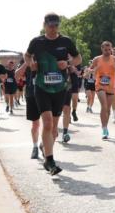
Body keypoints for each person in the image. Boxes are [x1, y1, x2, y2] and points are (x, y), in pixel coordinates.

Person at [24, 13, 81, 175]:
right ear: (44, 25)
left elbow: (78, 58)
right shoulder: (37, 42)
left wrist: (68, 63)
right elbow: (27, 55)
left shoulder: (66, 41)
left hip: (60, 88)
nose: (53, 28)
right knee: (47, 123)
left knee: (54, 127)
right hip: (41, 87)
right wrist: (30, 64)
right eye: (50, 25)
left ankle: (45, 147)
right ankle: (50, 161)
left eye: (56, 25)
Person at [91, 41, 115, 140]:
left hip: (111, 86)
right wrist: (93, 70)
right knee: (104, 106)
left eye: (109, 50)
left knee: (108, 109)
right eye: (105, 50)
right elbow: (89, 71)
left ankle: (105, 126)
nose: (107, 51)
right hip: (99, 85)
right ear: (102, 49)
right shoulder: (97, 59)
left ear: (111, 49)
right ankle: (104, 129)